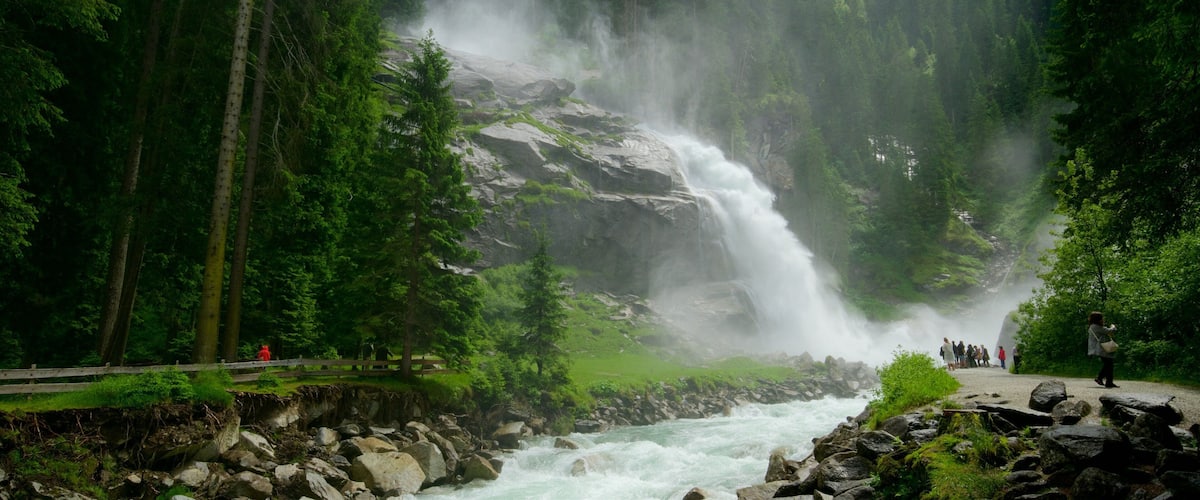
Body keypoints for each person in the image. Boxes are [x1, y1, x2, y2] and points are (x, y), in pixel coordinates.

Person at [1087, 311, 1119, 388]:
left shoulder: (1092, 326)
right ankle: (1102, 379)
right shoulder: (1096, 327)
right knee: (1109, 364)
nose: (1103, 319)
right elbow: (1109, 331)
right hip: (1101, 348)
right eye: (1101, 318)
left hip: (1099, 348)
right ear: (1098, 319)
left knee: (1108, 364)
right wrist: (1113, 326)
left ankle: (1107, 381)